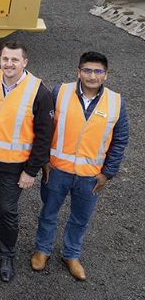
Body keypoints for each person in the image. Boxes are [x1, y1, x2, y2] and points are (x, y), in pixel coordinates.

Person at [31, 52, 129, 280]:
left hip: (90, 177)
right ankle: (42, 250)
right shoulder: (59, 92)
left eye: (97, 71)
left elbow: (120, 139)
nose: (92, 76)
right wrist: (44, 160)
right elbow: (44, 127)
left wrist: (107, 173)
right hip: (56, 171)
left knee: (80, 219)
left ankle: (71, 254)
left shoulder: (116, 102)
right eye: (87, 70)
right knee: (48, 213)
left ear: (105, 75)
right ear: (78, 72)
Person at [0, 41, 54, 282]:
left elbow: (44, 136)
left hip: (16, 165)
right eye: (5, 59)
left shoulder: (39, 91)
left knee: (8, 210)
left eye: (15, 60)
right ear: (0, 60)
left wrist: (31, 171)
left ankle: (7, 255)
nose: (9, 64)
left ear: (24, 62)